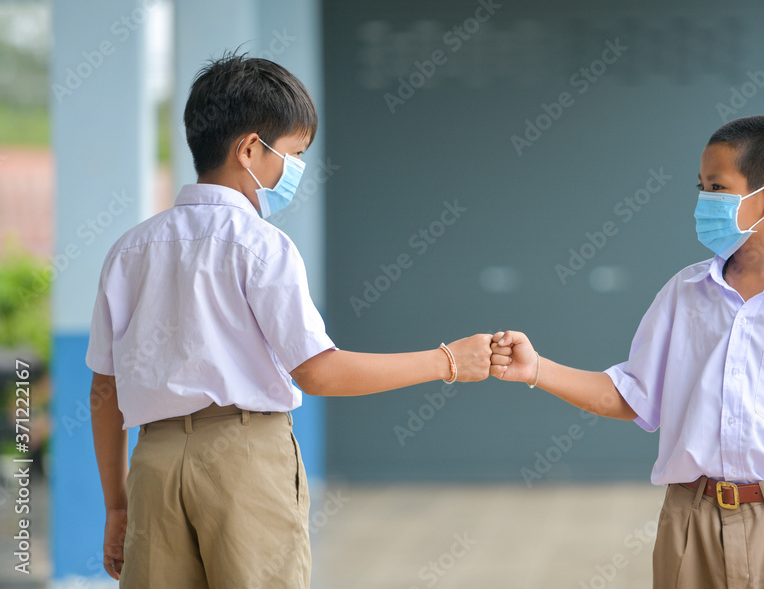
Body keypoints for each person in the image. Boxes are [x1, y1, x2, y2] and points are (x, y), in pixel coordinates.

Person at [86, 52, 492, 588]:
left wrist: (117, 506)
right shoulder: (261, 245)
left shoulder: (130, 249)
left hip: (154, 463)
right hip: (244, 459)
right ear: (250, 149)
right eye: (294, 154)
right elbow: (318, 372)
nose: (294, 171)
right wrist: (448, 361)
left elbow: (105, 388)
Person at [490, 115, 764, 589]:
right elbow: (631, 395)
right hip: (689, 526)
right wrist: (538, 369)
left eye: (716, 187)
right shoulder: (683, 294)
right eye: (700, 187)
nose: (703, 203)